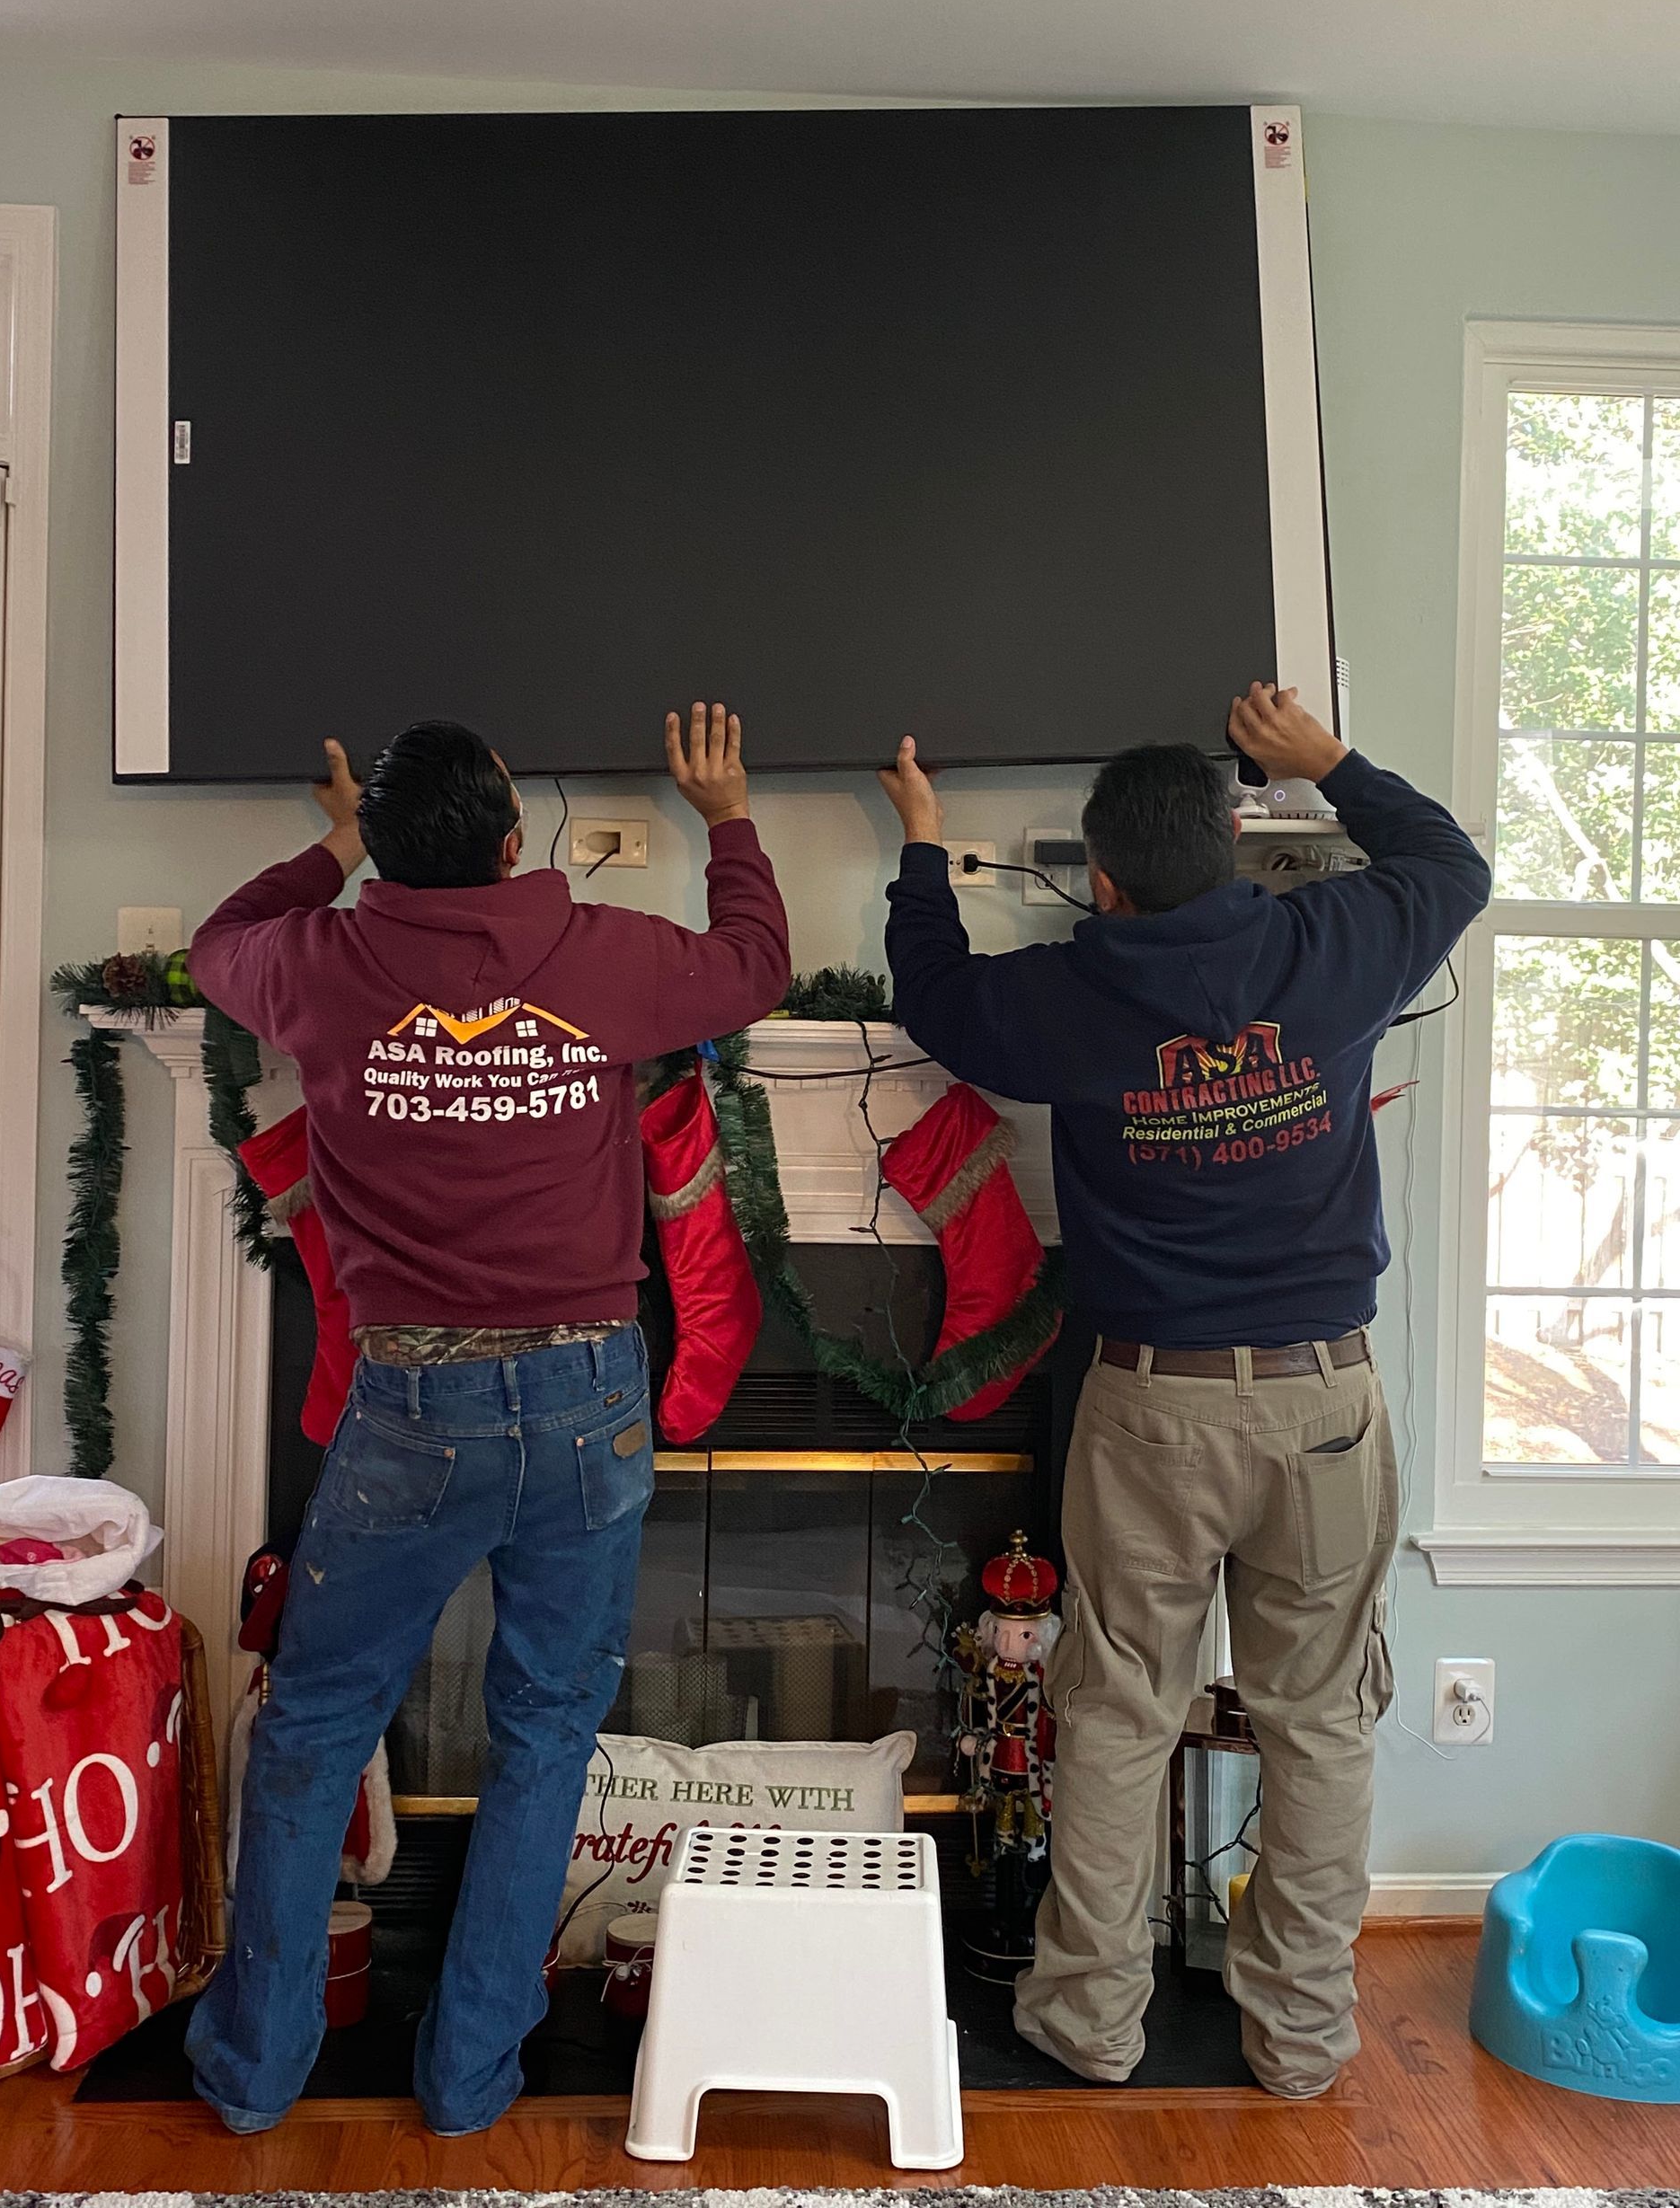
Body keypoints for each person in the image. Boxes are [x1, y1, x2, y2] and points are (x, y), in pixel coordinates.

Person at [876, 684, 1490, 2098]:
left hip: (1148, 1408)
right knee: (1320, 1720)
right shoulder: (1335, 943)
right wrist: (1330, 762)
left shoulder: (1066, 994)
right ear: (1232, 838)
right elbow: (1451, 867)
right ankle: (1302, 2038)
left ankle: (1088, 2022)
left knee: (1115, 1711)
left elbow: (934, 993)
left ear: (1100, 881)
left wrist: (919, 843)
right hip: (1325, 1405)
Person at [184, 705, 789, 2136]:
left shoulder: (319, 961)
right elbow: (758, 968)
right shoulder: (600, 953)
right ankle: (468, 2083)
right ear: (517, 841)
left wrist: (331, 850)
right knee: (545, 1732)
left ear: (388, 848)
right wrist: (733, 816)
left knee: (317, 1727)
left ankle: (254, 2077)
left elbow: (217, 944)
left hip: (410, 1410)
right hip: (588, 1400)